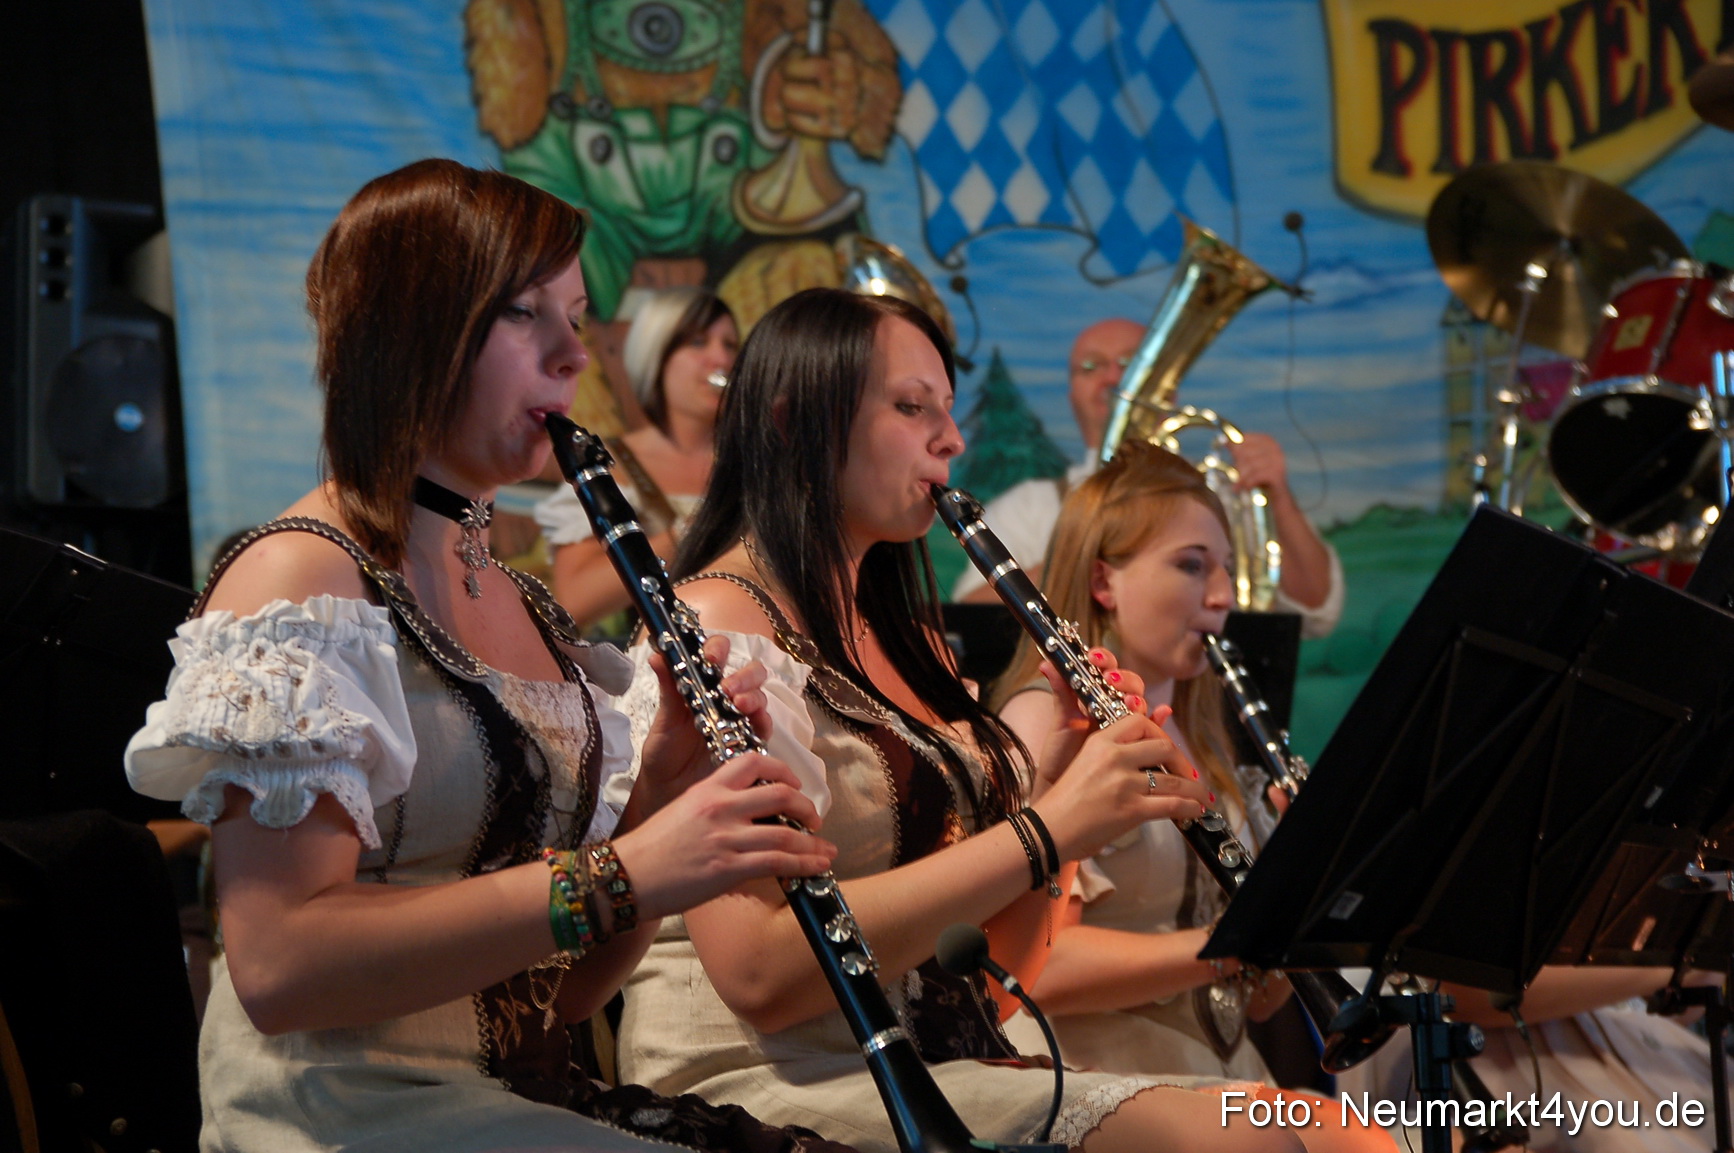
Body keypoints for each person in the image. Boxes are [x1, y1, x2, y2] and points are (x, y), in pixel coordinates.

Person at [124, 159, 859, 1153]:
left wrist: (665, 810)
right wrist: (626, 869)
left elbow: (567, 997)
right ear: (412, 328)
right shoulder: (302, 580)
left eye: (576, 315)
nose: (571, 357)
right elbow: (278, 967)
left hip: (527, 1099)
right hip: (345, 1115)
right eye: (525, 315)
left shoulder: (531, 608)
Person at [607, 286, 1376, 1153]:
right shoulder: (714, 624)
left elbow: (1000, 990)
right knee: (1254, 1141)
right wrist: (1048, 828)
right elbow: (760, 974)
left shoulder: (918, 647)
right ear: (793, 420)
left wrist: (1060, 797)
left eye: (948, 408)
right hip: (760, 1080)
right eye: (911, 407)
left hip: (935, 1060)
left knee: (1345, 1131)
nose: (952, 438)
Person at [990, 441, 1292, 1086]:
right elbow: (1042, 966)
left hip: (1221, 1071)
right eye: (1191, 566)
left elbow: (1262, 998)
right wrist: (1230, 949)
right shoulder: (1045, 722)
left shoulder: (1204, 733)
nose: (1223, 596)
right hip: (1092, 1073)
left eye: (1228, 570)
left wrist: (1301, 891)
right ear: (1104, 582)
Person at [953, 317, 1343, 639]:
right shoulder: (1028, 504)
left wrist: (1279, 498)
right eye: (1091, 367)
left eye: (1131, 363)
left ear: (1169, 390)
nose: (1112, 379)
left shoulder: (1222, 492)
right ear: (1073, 395)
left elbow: (1316, 613)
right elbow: (970, 619)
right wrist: (1085, 551)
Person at [1339, 969, 1718, 1152]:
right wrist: (1668, 969)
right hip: (1480, 1041)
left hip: (1595, 1031)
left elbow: (1682, 1009)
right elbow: (1471, 989)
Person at [536, 286, 737, 626]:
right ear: (656, 356)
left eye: (730, 345)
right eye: (698, 342)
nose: (722, 360)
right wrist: (692, 529)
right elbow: (575, 601)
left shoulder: (753, 461)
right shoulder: (611, 463)